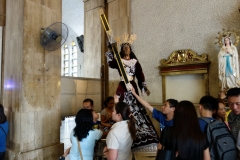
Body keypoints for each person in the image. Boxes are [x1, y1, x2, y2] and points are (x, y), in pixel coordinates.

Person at [105, 42, 158, 150]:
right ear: (122, 50)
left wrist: (144, 86)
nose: (126, 49)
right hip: (122, 85)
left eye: (128, 47)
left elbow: (140, 74)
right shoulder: (119, 61)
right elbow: (110, 63)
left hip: (132, 85)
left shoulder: (135, 62)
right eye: (124, 48)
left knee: (136, 106)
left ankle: (140, 131)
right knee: (121, 103)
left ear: (131, 49)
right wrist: (110, 50)